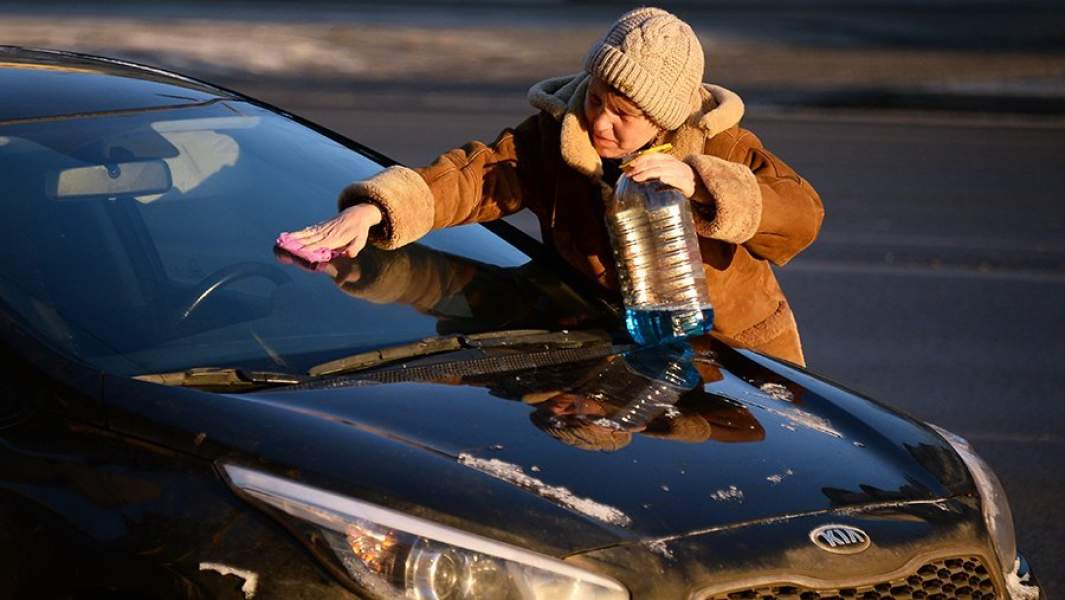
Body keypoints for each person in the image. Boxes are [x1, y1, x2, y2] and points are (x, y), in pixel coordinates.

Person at [286, 7, 824, 366]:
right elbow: (473, 176)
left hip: (744, 361)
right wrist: (375, 210)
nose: (599, 124)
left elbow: (802, 216)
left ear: (663, 120)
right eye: (596, 99)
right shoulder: (553, 142)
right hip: (618, 357)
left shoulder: (722, 147)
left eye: (624, 115)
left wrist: (702, 182)